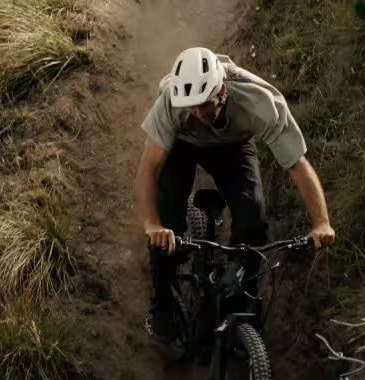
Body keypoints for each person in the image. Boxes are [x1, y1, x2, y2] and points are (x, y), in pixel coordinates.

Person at [134, 45, 335, 344]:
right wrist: (153, 224)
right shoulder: (171, 102)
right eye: (192, 107)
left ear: (223, 91)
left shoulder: (259, 101)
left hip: (233, 146)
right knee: (167, 216)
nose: (198, 113)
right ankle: (162, 302)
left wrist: (321, 222)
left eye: (205, 104)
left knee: (253, 222)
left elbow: (297, 165)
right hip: (182, 145)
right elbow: (148, 170)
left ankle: (241, 294)